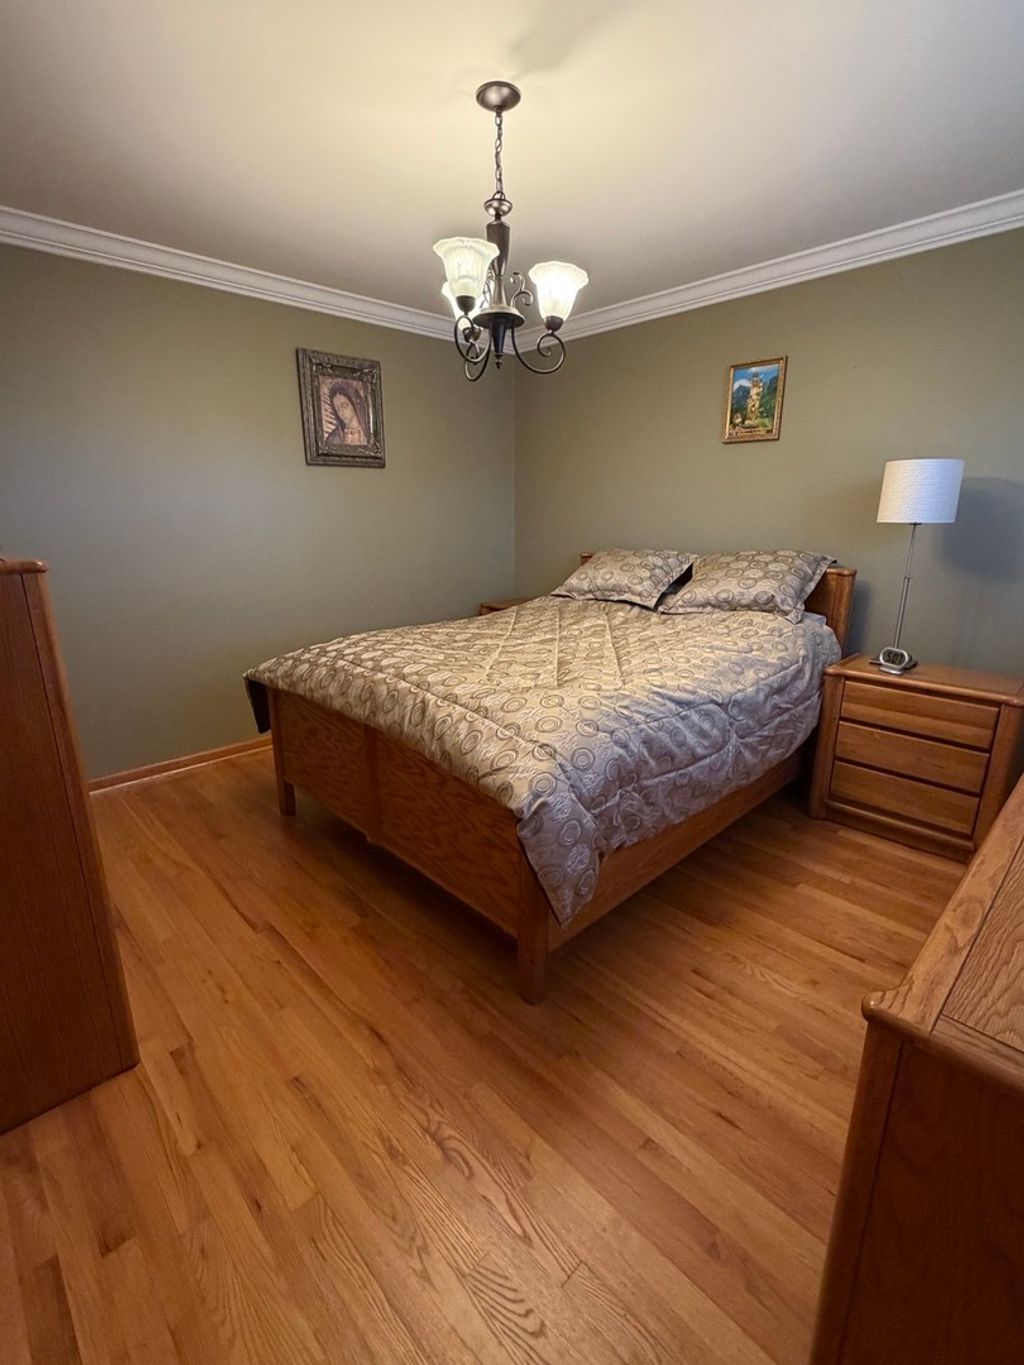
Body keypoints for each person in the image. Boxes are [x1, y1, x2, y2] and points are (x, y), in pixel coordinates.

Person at [322, 379, 368, 448]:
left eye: (344, 406)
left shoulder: (369, 434)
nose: (341, 413)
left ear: (354, 404)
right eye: (337, 409)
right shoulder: (334, 438)